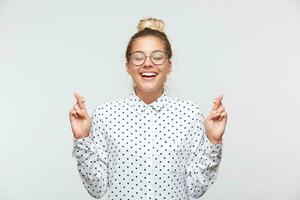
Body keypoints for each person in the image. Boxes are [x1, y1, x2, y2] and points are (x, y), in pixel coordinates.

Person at [69, 17, 228, 200]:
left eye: (158, 57)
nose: (147, 63)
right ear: (127, 66)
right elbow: (96, 189)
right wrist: (82, 139)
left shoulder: (190, 114)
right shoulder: (105, 115)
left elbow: (194, 189)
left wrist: (213, 142)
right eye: (138, 57)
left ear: (169, 65)